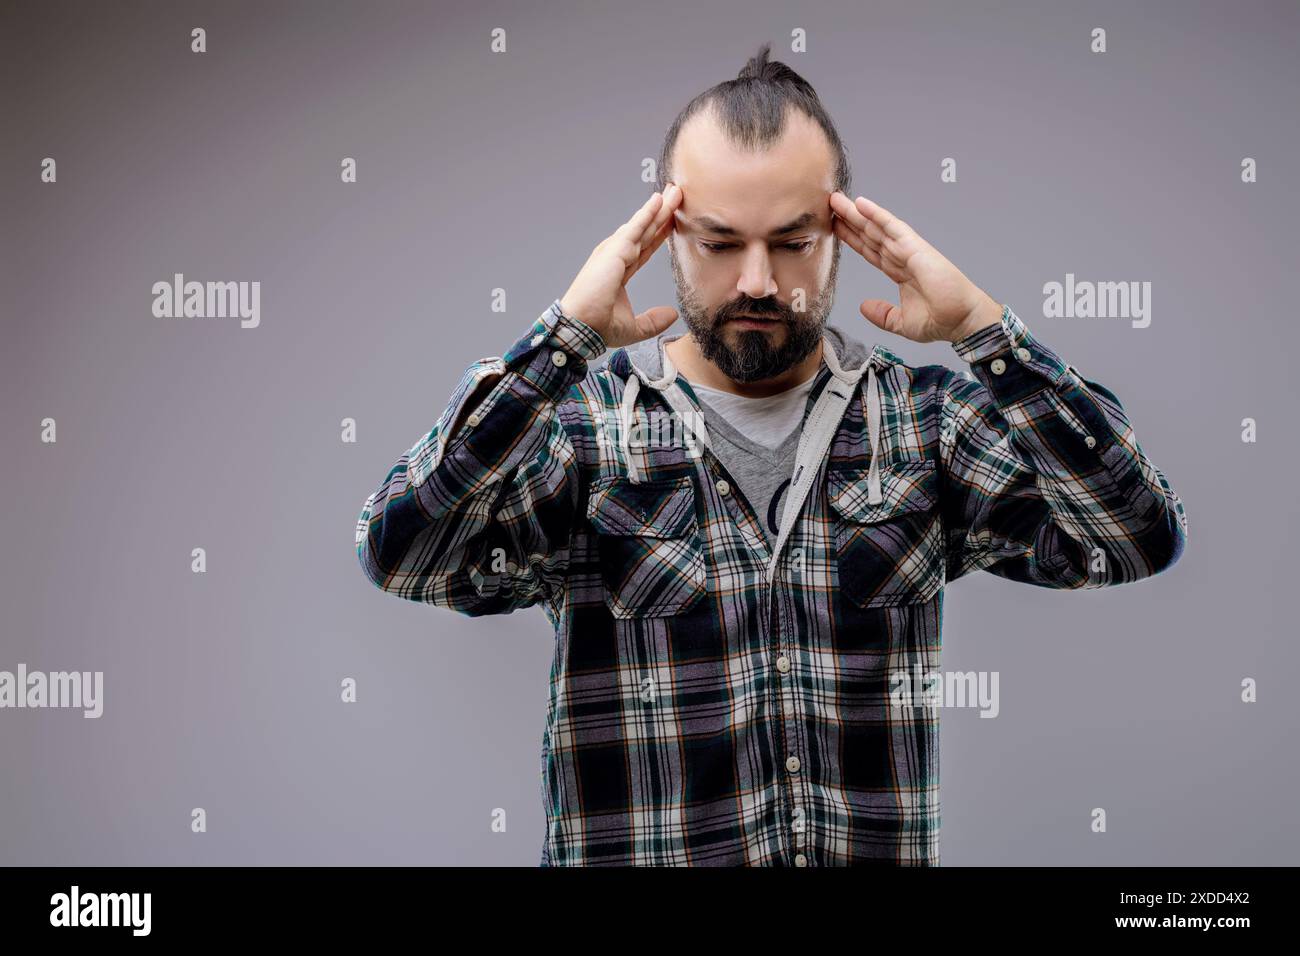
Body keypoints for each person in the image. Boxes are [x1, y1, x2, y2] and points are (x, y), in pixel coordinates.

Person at [355, 44, 1188, 866]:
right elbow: (404, 555)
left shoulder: (926, 422)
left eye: (792, 241)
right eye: (719, 243)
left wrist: (984, 331)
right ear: (664, 237)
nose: (757, 281)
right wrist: (559, 345)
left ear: (843, 233)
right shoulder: (582, 427)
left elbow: (1133, 539)